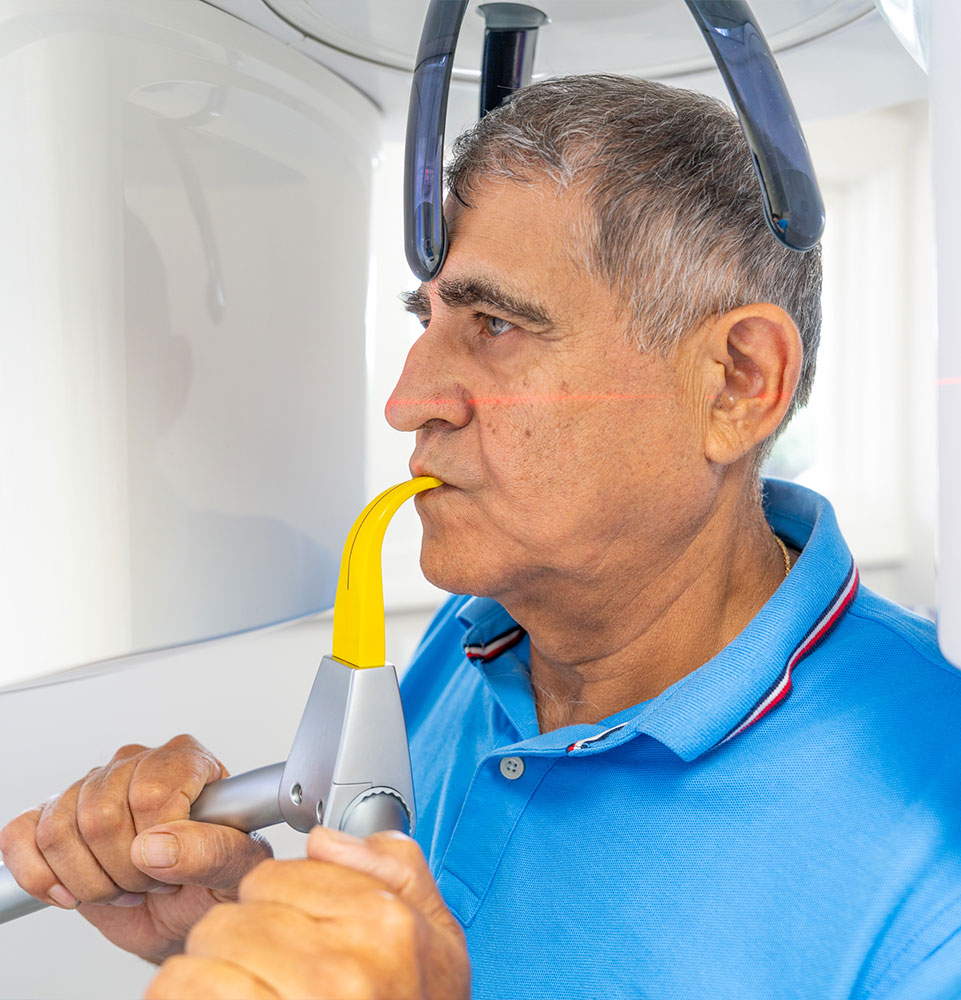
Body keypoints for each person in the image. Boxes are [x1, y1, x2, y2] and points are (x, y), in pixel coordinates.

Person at [2, 74, 961, 1000]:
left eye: (495, 323)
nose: (406, 402)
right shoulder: (477, 635)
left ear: (737, 382)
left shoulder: (935, 851)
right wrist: (228, 927)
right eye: (429, 318)